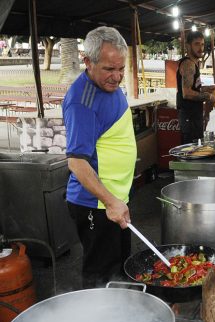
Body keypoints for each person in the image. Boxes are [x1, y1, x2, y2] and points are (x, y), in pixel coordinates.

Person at [63, 27, 136, 288]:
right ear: (88, 62)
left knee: (120, 268)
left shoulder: (109, 87)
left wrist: (118, 200)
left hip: (116, 200)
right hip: (97, 205)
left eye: (121, 69)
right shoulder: (82, 103)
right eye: (109, 69)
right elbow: (77, 162)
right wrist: (110, 202)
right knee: (100, 277)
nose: (116, 77)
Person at [176, 31, 215, 144]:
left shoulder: (194, 64)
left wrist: (207, 88)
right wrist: (208, 96)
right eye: (197, 44)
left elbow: (194, 88)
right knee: (190, 152)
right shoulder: (188, 64)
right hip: (189, 118)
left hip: (194, 117)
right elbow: (187, 93)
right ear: (188, 46)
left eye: (202, 44)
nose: (201, 48)